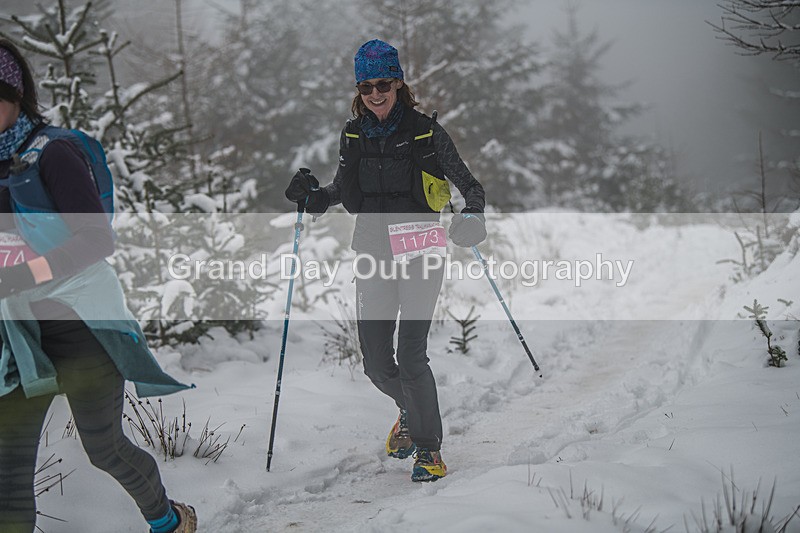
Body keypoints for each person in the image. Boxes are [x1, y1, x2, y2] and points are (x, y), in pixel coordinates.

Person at [0, 39, 197, 533]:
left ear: (15, 96)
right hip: (21, 332)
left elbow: (95, 239)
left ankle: (168, 520)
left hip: (81, 325)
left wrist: (25, 275)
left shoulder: (54, 153)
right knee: (8, 465)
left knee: (104, 448)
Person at [285, 39, 487, 482]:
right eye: (366, 85)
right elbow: (342, 190)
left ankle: (429, 449)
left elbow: (471, 188)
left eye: (383, 83)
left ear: (398, 82)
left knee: (411, 356)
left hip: (420, 251)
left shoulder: (424, 132)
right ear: (359, 88)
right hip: (372, 253)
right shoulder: (353, 133)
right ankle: (410, 411)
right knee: (376, 362)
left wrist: (471, 217)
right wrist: (311, 196)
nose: (375, 92)